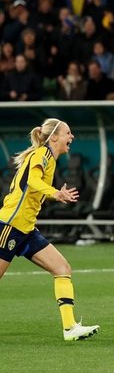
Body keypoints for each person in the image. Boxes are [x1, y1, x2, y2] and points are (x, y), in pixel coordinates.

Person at [0, 119, 99, 341]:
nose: (71, 137)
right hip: (10, 225)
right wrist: (55, 193)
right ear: (54, 137)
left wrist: (53, 194)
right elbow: (32, 180)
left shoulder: (49, 159)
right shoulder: (42, 154)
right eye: (68, 133)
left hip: (26, 229)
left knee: (62, 268)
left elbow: (32, 189)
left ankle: (69, 328)